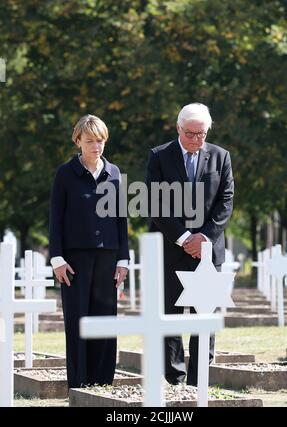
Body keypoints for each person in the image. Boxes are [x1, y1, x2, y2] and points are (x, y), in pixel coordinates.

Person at [146, 103, 234, 386]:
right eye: (191, 134)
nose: (196, 139)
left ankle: (199, 380)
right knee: (170, 315)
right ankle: (174, 379)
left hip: (208, 252)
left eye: (202, 134)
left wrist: (204, 238)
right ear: (178, 128)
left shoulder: (221, 157)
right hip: (172, 249)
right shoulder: (159, 156)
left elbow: (226, 201)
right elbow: (154, 202)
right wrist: (184, 238)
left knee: (204, 316)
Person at [49, 114, 129, 389]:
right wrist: (57, 258)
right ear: (78, 141)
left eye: (101, 141)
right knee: (78, 322)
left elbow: (121, 219)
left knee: (106, 320)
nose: (96, 146)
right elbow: (55, 218)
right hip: (74, 262)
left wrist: (124, 260)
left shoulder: (115, 173)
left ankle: (102, 385)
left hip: (108, 257)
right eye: (90, 141)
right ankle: (79, 386)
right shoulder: (65, 173)